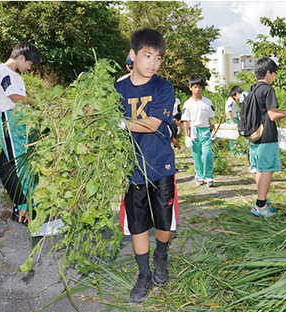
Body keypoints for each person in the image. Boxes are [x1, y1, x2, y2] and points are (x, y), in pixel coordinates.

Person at [114, 28, 177, 303]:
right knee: (137, 225)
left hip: (160, 165)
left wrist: (117, 124)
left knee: (164, 224)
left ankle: (161, 254)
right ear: (133, 54)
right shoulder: (117, 89)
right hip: (131, 169)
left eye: (158, 57)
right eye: (147, 55)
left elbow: (151, 125)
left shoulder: (163, 88)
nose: (153, 62)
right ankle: (144, 274)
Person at [0, 41, 40, 223]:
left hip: (20, 122)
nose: (29, 68)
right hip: (9, 122)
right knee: (18, 166)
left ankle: (28, 207)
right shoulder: (1, 70)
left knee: (26, 165)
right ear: (21, 57)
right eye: (29, 64)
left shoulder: (17, 77)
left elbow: (21, 101)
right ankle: (22, 210)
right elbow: (14, 97)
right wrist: (39, 103)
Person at [248, 57, 286, 217]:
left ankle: (260, 200)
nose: (274, 77)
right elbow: (273, 115)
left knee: (260, 169)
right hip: (266, 136)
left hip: (254, 136)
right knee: (268, 169)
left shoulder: (253, 89)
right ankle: (260, 206)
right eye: (274, 73)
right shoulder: (267, 90)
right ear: (268, 72)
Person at [182, 75, 215, 187]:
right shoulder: (188, 104)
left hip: (205, 130)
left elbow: (211, 119)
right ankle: (199, 176)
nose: (197, 89)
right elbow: (185, 120)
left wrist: (213, 131)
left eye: (199, 87)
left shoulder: (207, 102)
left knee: (207, 154)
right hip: (194, 131)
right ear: (190, 88)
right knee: (196, 155)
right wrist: (186, 136)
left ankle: (208, 175)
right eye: (195, 87)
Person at [226, 86, 242, 155]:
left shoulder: (231, 101)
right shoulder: (230, 101)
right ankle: (234, 152)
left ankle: (236, 151)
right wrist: (232, 121)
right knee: (233, 136)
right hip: (232, 118)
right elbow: (229, 112)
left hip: (233, 118)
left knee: (235, 136)